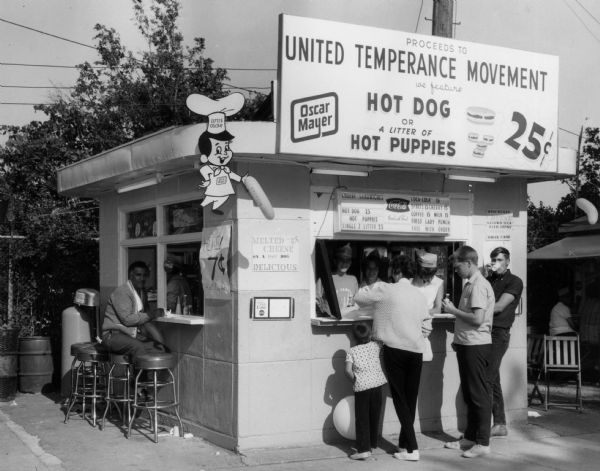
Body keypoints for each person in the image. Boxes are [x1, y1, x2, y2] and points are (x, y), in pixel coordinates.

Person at [354, 254, 430, 462]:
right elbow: (427, 325)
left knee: (399, 398)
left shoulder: (385, 289)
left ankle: (412, 449)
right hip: (415, 349)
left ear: (394, 271)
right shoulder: (418, 294)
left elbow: (359, 298)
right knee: (409, 398)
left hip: (394, 348)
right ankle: (405, 444)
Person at [442, 245, 495, 459]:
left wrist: (453, 310)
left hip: (476, 345)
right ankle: (471, 437)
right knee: (470, 394)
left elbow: (477, 319)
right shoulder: (469, 284)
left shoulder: (479, 286)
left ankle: (483, 442)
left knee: (478, 394)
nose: (456, 271)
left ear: (469, 263)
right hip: (467, 344)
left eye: (457, 267)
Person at [484, 247, 524, 438]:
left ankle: (481, 427)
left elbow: (499, 307)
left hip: (499, 333)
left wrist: (476, 312)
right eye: (493, 259)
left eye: (499, 259)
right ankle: (499, 423)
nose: (496, 263)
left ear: (507, 261)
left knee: (486, 379)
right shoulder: (488, 280)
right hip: (484, 331)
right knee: (492, 378)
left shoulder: (514, 281)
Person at [102, 261, 166, 362]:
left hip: (130, 335)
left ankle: (152, 377)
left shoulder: (142, 292)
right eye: (138, 275)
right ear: (131, 275)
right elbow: (128, 320)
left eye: (145, 275)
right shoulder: (122, 292)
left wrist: (159, 341)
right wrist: (152, 314)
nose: (142, 278)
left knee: (158, 349)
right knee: (138, 347)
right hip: (113, 335)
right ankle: (139, 377)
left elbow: (145, 318)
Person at [344, 323, 388, 460]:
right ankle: (373, 442)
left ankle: (363, 449)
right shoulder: (375, 346)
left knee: (362, 418)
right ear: (369, 335)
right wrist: (372, 336)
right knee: (374, 414)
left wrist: (355, 380)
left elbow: (347, 370)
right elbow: (382, 340)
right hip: (377, 385)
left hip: (362, 387)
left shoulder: (352, 351)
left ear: (352, 337)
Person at [316, 244, 359, 317]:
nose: (344, 263)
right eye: (341, 260)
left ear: (350, 262)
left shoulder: (353, 279)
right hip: (330, 321)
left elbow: (357, 302)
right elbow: (316, 301)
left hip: (349, 321)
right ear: (335, 261)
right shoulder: (325, 279)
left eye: (347, 260)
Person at [411, 251, 444, 315]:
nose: (429, 279)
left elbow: (437, 310)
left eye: (431, 276)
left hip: (427, 322)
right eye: (425, 276)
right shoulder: (409, 282)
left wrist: (416, 314)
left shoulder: (438, 282)